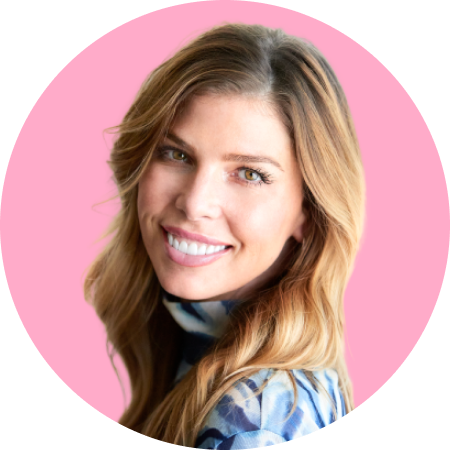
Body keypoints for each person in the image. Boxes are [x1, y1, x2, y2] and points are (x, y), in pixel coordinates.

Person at [84, 22, 366, 450]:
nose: (195, 202)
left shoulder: (255, 421)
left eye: (249, 174)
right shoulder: (197, 349)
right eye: (176, 154)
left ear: (308, 213)